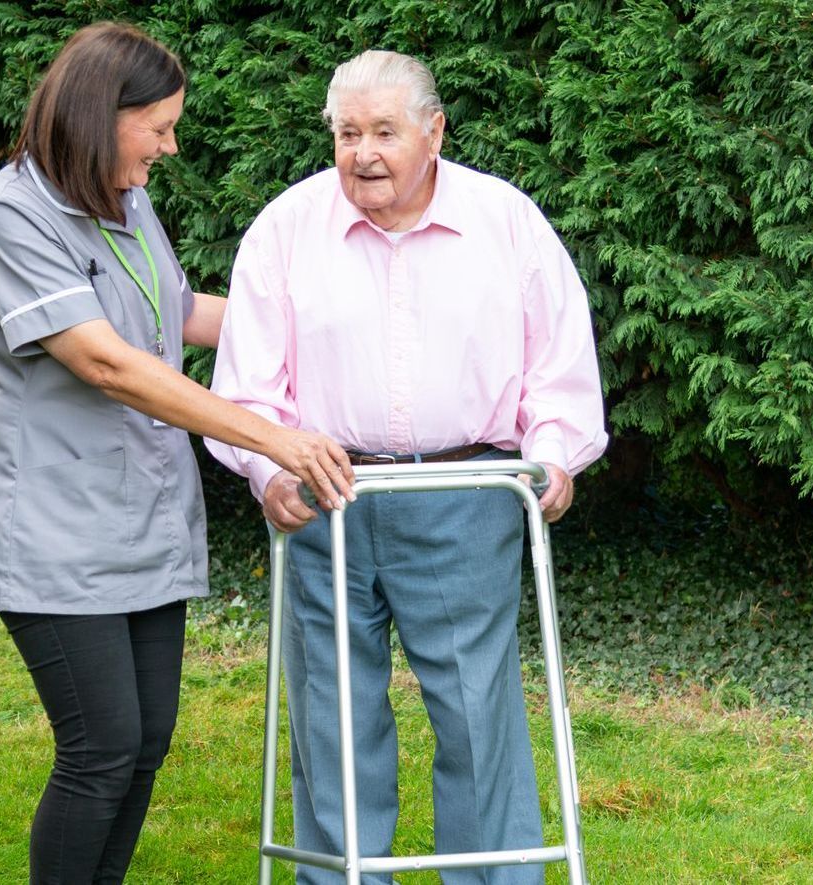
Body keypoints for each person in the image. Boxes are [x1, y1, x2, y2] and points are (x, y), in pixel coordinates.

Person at [0, 22, 355, 884]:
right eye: (159, 127)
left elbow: (179, 315)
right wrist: (271, 435)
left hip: (142, 521)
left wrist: (331, 329)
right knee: (99, 749)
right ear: (104, 116)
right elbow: (107, 362)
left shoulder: (123, 202)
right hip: (54, 531)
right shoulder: (9, 217)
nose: (170, 147)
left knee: (143, 744)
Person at [206, 50, 607, 884]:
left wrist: (554, 457)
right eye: (348, 133)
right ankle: (342, 876)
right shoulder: (286, 227)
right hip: (323, 495)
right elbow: (247, 384)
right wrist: (267, 470)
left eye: (385, 132)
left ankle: (494, 876)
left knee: (475, 713)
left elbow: (559, 363)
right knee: (332, 718)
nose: (364, 153)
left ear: (434, 133)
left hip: (465, 495)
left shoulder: (505, 221)